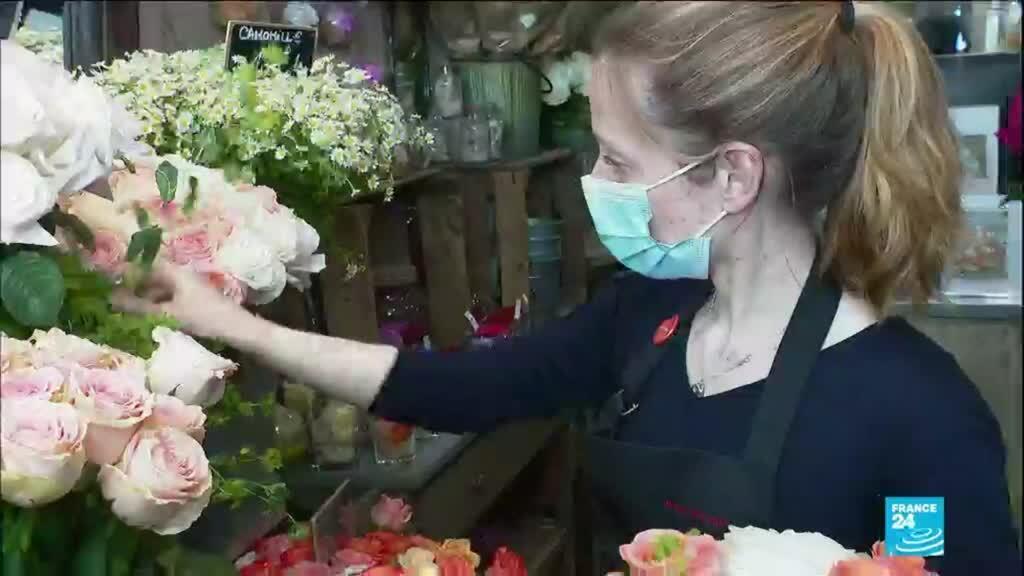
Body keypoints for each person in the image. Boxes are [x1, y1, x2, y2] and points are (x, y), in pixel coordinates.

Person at [117, 2, 1020, 573]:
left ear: (733, 178)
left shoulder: (917, 418)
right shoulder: (645, 321)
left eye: (620, 159)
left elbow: (930, 561)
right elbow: (467, 387)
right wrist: (235, 325)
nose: (600, 184)